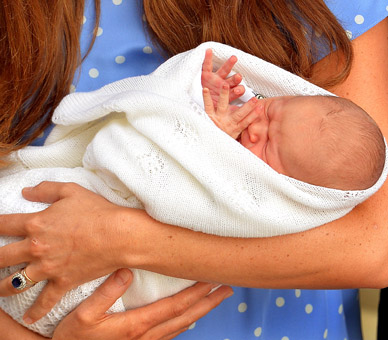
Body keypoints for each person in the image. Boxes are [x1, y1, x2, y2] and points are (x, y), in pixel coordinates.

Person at [0, 1, 387, 339]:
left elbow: (375, 245)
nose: (253, 126)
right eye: (269, 111)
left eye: (269, 143)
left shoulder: (274, 194)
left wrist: (114, 237)